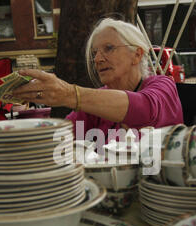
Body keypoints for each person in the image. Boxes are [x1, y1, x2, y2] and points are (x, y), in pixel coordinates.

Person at [12, 18, 183, 143]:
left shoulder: (163, 86)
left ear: (137, 55)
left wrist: (67, 93)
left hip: (154, 186)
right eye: (94, 53)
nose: (98, 59)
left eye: (109, 48)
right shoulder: (97, 101)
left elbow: (145, 110)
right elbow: (60, 136)